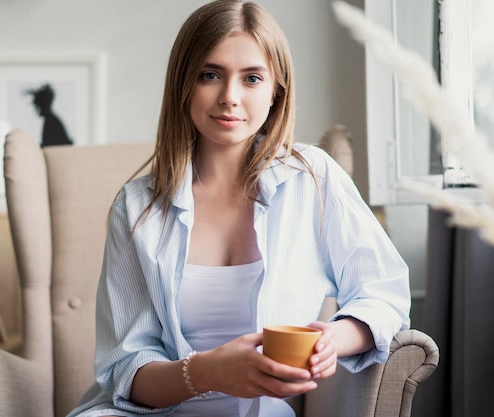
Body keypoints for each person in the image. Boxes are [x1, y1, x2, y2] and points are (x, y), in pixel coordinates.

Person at [67, 1, 410, 416]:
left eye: (251, 78)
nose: (230, 97)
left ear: (275, 90)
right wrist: (208, 373)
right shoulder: (137, 205)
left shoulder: (314, 179)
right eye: (210, 75)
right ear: (183, 84)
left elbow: (384, 295)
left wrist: (331, 341)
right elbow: (125, 370)